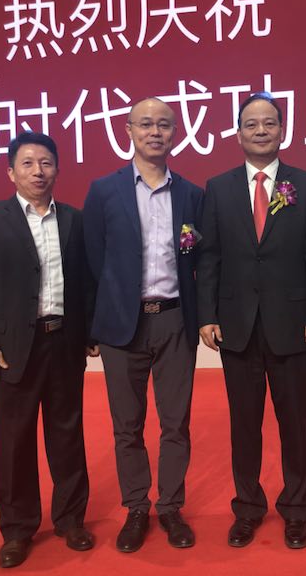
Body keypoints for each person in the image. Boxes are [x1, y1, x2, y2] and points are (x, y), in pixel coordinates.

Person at [197, 92, 306, 550]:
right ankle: (248, 508)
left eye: (269, 123)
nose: (260, 130)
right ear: (238, 134)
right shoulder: (218, 187)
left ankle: (296, 509)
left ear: (282, 130)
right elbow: (209, 256)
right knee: (244, 424)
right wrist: (207, 314)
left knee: (294, 423)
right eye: (251, 124)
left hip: (291, 323)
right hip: (236, 325)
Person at [0, 131, 94, 569]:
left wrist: (89, 332)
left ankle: (71, 519)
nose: (38, 171)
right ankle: (17, 529)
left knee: (67, 434)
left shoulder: (74, 219)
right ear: (11, 172)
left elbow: (86, 281)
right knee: (14, 440)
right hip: (13, 347)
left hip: (64, 342)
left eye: (46, 163)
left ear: (57, 169)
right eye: (28, 163)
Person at [82, 97, 203, 552]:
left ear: (176, 133)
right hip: (122, 326)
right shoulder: (103, 191)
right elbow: (92, 262)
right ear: (129, 130)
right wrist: (94, 326)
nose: (155, 132)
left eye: (164, 125)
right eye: (146, 124)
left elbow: (199, 259)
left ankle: (170, 506)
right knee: (127, 425)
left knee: (176, 423)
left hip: (174, 321)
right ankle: (136, 507)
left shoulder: (192, 194)